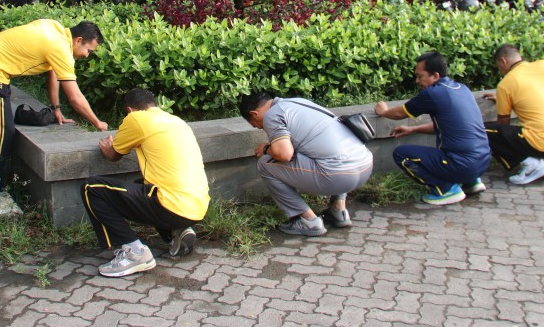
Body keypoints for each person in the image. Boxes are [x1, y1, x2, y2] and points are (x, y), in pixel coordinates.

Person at [83, 88, 210, 277]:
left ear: (129, 110)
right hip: (198, 207)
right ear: (155, 105)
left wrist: (107, 147)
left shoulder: (136, 119)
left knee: (92, 188)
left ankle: (135, 252)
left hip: (171, 206)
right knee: (140, 183)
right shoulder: (177, 121)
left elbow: (113, 155)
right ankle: (177, 231)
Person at [238, 93, 374, 237]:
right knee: (328, 152)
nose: (260, 127)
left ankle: (307, 220)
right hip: (365, 165)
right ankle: (338, 211)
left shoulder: (272, 115)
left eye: (256, 124)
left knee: (264, 164)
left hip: (337, 175)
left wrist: (266, 148)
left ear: (254, 113)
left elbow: (284, 154)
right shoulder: (299, 102)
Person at [374, 51, 490, 205]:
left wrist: (384, 111)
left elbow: (401, 113)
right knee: (460, 153)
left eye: (420, 76)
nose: (417, 80)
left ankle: (446, 190)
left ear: (435, 76)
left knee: (402, 155)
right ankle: (471, 182)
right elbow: (448, 126)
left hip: (462, 164)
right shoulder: (461, 88)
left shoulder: (434, 93)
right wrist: (414, 129)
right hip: (483, 161)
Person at [0, 19, 107, 161]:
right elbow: (75, 97)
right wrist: (97, 122)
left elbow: (54, 73)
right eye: (88, 50)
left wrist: (56, 109)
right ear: (78, 40)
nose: (86, 55)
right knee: (4, 131)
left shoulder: (55, 28)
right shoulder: (61, 49)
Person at [483, 44, 544, 185]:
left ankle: (532, 165)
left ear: (503, 61)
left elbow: (503, 124)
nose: (501, 71)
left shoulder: (506, 83)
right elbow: (536, 94)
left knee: (484, 132)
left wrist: (505, 99)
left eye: (499, 67)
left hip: (543, 142)